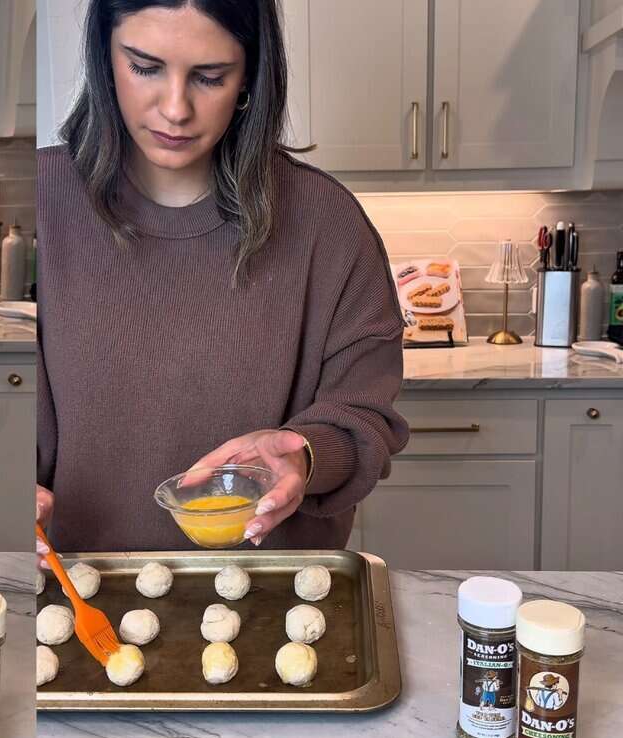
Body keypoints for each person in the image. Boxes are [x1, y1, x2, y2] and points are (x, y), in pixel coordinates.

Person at [36, 0, 408, 553]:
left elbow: (366, 420)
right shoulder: (40, 201)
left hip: (272, 604)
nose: (175, 108)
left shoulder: (327, 225)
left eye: (210, 77)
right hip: (78, 594)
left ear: (250, 76)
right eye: (144, 67)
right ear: (103, 56)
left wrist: (305, 453)